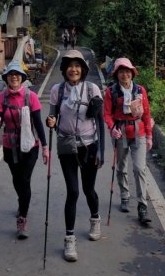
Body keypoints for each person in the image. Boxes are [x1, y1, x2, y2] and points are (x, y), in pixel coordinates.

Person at [46, 49, 105, 262]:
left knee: (89, 189)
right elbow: (52, 116)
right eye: (70, 65)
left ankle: (95, 219)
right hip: (67, 146)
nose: (74, 69)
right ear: (64, 69)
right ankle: (69, 239)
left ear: (83, 69)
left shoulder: (92, 89)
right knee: (73, 191)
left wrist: (101, 150)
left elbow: (100, 122)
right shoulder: (57, 90)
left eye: (77, 65)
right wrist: (50, 122)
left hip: (89, 146)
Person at [0, 61, 49, 239]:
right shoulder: (2, 97)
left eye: (17, 74)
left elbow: (38, 123)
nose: (14, 77)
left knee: (24, 180)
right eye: (11, 75)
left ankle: (22, 219)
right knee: (17, 180)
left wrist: (45, 147)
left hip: (30, 145)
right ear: (7, 78)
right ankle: (22, 201)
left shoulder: (30, 96)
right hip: (10, 146)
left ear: (22, 78)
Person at [103, 57, 153, 224]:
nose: (125, 74)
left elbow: (146, 114)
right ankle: (125, 195)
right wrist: (112, 128)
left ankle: (142, 206)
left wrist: (150, 135)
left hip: (139, 133)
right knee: (121, 167)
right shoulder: (111, 92)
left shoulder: (140, 91)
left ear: (132, 73)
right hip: (120, 133)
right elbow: (107, 114)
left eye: (127, 71)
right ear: (117, 74)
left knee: (140, 169)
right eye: (121, 72)